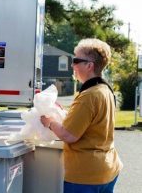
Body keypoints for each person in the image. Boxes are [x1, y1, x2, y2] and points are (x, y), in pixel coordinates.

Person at [40, 38, 123, 193]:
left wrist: (49, 121)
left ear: (89, 65)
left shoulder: (88, 96)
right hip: (108, 168)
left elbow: (69, 135)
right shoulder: (105, 89)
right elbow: (94, 121)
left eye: (76, 60)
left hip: (86, 176)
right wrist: (66, 112)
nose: (72, 65)